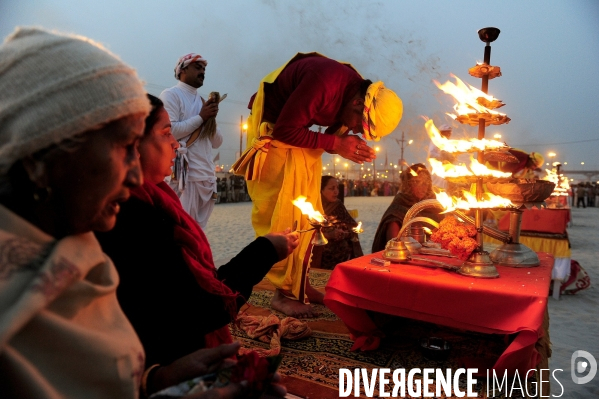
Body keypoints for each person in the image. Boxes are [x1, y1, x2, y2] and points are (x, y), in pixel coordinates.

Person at [0, 27, 284, 399]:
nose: (135, 175)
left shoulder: (80, 242)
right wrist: (265, 251)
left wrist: (157, 380)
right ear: (40, 159)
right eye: (124, 146)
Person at [96, 95, 299, 367]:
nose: (175, 144)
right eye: (166, 133)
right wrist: (264, 252)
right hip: (162, 357)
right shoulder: (134, 215)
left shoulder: (157, 198)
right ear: (130, 145)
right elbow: (199, 310)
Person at [232, 53, 402, 318]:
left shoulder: (352, 89)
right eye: (359, 124)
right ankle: (283, 293)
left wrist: (346, 145)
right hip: (274, 134)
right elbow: (285, 131)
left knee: (309, 215)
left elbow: (330, 131)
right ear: (358, 102)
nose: (355, 129)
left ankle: (300, 285)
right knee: (284, 214)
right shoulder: (324, 81)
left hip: (295, 140)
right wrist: (336, 144)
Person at [160, 53, 222, 228]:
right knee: (182, 231)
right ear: (182, 70)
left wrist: (211, 119)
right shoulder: (171, 95)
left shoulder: (202, 101)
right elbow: (171, 132)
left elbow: (217, 142)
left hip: (207, 177)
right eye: (197, 67)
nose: (202, 71)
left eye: (204, 68)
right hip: (184, 178)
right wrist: (202, 117)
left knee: (198, 233)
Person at [372, 164, 441, 252]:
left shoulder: (433, 206)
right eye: (416, 182)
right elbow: (394, 246)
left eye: (425, 183)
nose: (422, 187)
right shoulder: (398, 209)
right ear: (408, 184)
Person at [315, 176, 364, 269]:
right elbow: (308, 234)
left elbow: (352, 227)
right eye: (331, 188)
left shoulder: (338, 205)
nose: (336, 191)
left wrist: (343, 232)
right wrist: (329, 234)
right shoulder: (313, 208)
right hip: (320, 257)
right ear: (321, 190)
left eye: (337, 187)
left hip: (342, 257)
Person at [427, 124, 456, 190]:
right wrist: (442, 157)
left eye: (450, 132)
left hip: (445, 172)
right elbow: (431, 155)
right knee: (437, 189)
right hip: (436, 171)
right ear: (442, 132)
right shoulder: (435, 141)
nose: (449, 134)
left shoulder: (447, 143)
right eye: (447, 132)